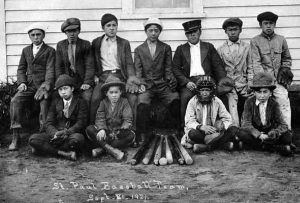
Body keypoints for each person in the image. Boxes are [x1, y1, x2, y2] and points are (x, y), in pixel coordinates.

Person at [172, 19, 230, 131]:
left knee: (221, 96)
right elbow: (175, 69)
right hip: (190, 81)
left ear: (200, 32)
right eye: (189, 33)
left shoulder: (208, 47)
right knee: (185, 97)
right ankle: (186, 128)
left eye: (195, 31)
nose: (192, 35)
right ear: (186, 35)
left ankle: (222, 127)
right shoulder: (181, 49)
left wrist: (222, 81)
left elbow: (218, 66)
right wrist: (186, 82)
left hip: (208, 80)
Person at [90, 13, 139, 136]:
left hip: (120, 77)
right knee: (95, 98)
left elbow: (129, 63)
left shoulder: (124, 43)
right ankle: (96, 132)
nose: (112, 28)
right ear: (103, 28)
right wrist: (95, 75)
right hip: (104, 77)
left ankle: (131, 132)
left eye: (114, 25)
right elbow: (93, 62)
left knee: (132, 98)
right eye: (108, 25)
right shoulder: (96, 42)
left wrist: (131, 79)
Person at [9, 23, 55, 150]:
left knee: (44, 104)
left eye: (38, 34)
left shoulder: (50, 51)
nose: (36, 37)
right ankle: (15, 135)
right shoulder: (26, 50)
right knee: (15, 101)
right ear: (29, 36)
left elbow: (51, 70)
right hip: (28, 86)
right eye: (33, 35)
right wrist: (22, 82)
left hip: (43, 86)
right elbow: (21, 68)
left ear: (43, 35)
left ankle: (42, 138)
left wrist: (46, 85)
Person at [134, 17, 180, 142]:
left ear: (159, 32)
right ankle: (143, 134)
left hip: (162, 84)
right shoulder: (139, 49)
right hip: (147, 85)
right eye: (150, 30)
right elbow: (138, 72)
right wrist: (140, 84)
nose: (153, 33)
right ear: (146, 31)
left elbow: (168, 69)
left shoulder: (165, 48)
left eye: (156, 30)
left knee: (175, 99)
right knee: (142, 103)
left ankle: (176, 131)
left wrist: (170, 80)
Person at [28, 74, 88, 161]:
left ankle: (45, 150)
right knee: (33, 139)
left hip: (70, 135)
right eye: (60, 89)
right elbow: (48, 123)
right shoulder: (55, 102)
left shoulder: (80, 102)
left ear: (72, 89)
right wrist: (55, 133)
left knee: (77, 139)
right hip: (56, 136)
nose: (63, 92)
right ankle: (64, 153)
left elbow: (81, 123)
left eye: (66, 88)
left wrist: (67, 132)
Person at [250, 11, 293, 129]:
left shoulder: (281, 40)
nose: (268, 26)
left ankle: (287, 132)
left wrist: (284, 69)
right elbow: (256, 63)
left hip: (279, 81)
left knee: (283, 103)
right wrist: (265, 81)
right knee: (263, 105)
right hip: (264, 82)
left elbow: (287, 58)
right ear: (261, 25)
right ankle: (265, 133)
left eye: (271, 23)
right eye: (265, 23)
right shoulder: (255, 41)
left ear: (275, 25)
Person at [238, 72, 293, 156]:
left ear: (270, 92)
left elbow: (283, 125)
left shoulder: (274, 104)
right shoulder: (249, 102)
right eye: (259, 92)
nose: (262, 96)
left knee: (287, 136)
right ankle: (274, 147)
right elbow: (246, 123)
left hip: (269, 133)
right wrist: (259, 135)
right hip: (256, 133)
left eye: (265, 92)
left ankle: (259, 146)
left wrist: (274, 132)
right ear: (254, 92)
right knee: (241, 133)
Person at [181, 75, 238, 153]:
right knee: (192, 134)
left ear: (211, 91)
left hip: (214, 133)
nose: (204, 93)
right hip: (200, 132)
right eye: (202, 90)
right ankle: (220, 145)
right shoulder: (192, 101)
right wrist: (201, 127)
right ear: (198, 91)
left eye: (207, 90)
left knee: (233, 129)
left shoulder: (217, 101)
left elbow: (227, 118)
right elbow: (189, 121)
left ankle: (206, 147)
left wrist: (220, 127)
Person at [86, 75, 135, 158]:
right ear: (106, 93)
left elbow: (128, 119)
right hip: (107, 132)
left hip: (118, 134)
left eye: (116, 92)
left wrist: (120, 130)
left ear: (120, 92)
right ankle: (112, 150)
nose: (114, 95)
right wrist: (102, 129)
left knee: (131, 135)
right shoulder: (103, 103)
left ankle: (103, 149)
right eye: (111, 93)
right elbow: (100, 117)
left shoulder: (124, 102)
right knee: (90, 129)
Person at [217, 17, 254, 126]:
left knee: (253, 98)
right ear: (226, 32)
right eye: (230, 30)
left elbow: (251, 66)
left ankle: (248, 127)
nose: (233, 32)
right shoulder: (221, 49)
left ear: (240, 30)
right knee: (232, 102)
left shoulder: (247, 47)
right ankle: (235, 129)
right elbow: (220, 70)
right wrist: (224, 84)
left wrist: (250, 83)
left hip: (243, 82)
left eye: (235, 29)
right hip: (229, 84)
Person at [56, 18, 94, 110]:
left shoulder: (85, 44)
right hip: (67, 81)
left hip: (82, 81)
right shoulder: (61, 45)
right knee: (58, 98)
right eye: (68, 31)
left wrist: (87, 82)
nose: (72, 34)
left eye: (74, 31)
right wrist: (62, 83)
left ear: (79, 31)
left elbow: (90, 65)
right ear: (65, 33)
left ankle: (87, 123)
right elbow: (58, 66)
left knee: (87, 97)